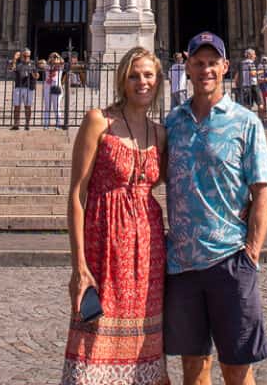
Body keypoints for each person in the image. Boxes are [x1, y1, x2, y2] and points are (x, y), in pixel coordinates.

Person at [164, 31, 267, 384]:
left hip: (231, 261)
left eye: (212, 62)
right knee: (193, 367)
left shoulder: (246, 122)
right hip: (182, 264)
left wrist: (251, 253)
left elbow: (261, 191)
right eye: (198, 63)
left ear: (226, 66)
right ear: (187, 67)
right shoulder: (173, 123)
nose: (205, 69)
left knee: (237, 368)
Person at [62, 47, 169, 384]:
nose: (142, 82)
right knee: (94, 341)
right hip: (103, 246)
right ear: (122, 79)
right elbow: (78, 193)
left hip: (147, 253)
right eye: (134, 75)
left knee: (143, 344)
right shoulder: (99, 121)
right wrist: (79, 266)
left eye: (148, 75)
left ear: (159, 81)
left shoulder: (160, 134)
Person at [10, 49, 38, 130]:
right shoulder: (18, 63)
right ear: (22, 56)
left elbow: (37, 76)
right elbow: (12, 68)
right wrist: (14, 58)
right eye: (25, 56)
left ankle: (27, 124)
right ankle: (16, 124)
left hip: (29, 87)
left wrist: (33, 73)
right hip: (18, 86)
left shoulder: (32, 63)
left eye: (28, 56)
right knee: (17, 106)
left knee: (28, 107)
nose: (26, 58)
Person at [234, 48, 262, 118]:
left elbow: (236, 76)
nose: (255, 56)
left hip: (245, 85)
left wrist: (237, 84)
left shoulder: (242, 63)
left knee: (248, 105)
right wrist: (261, 71)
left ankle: (248, 119)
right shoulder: (250, 63)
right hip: (253, 85)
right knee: (260, 103)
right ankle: (261, 120)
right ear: (250, 55)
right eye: (254, 54)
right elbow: (252, 73)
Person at [41, 52, 64, 129]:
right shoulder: (47, 66)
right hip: (47, 87)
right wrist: (50, 58)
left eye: (55, 58)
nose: (53, 59)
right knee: (47, 107)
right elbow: (40, 63)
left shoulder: (60, 67)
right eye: (52, 57)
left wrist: (57, 56)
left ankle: (58, 124)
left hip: (56, 87)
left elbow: (62, 61)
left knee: (56, 106)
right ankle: (46, 124)